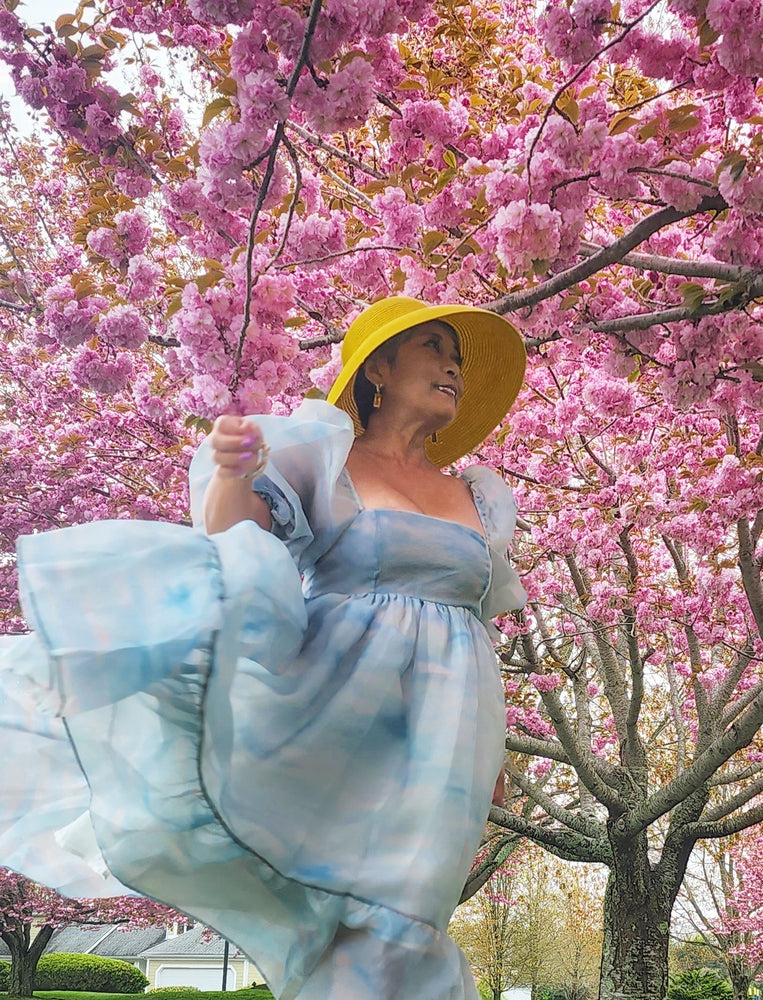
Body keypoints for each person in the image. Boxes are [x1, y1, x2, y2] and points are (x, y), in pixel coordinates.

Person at [0, 295, 527, 1000]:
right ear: (379, 369)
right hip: (336, 705)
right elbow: (232, 537)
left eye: (457, 357)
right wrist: (232, 471)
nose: (453, 367)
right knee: (354, 911)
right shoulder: (325, 459)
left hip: (448, 734)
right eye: (433, 347)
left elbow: (483, 624)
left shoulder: (479, 497)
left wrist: (500, 750)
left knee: (412, 909)